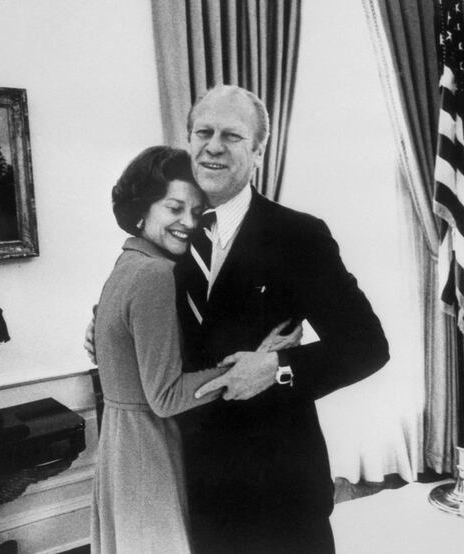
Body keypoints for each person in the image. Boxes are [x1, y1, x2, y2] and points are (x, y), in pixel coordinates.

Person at [175, 85, 389, 553]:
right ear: (188, 140)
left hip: (280, 484)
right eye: (202, 132)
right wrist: (105, 330)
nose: (213, 146)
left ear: (257, 150)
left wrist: (277, 369)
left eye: (231, 136)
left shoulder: (299, 236)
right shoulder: (166, 232)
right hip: (192, 481)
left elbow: (367, 345)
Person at [88, 145, 299, 554]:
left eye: (197, 211)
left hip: (119, 445)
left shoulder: (128, 260)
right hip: (149, 448)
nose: (188, 222)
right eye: (174, 208)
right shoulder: (154, 274)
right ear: (142, 207)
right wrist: (252, 363)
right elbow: (166, 398)